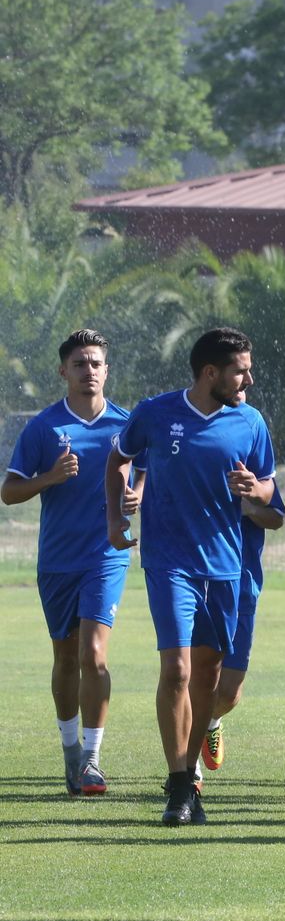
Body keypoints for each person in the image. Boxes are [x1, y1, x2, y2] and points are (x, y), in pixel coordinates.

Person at [105, 327, 277, 826]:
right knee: (176, 670)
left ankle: (190, 769)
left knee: (209, 675)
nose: (248, 377)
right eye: (241, 369)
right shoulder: (156, 413)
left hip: (226, 566)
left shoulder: (250, 421)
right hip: (168, 561)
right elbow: (120, 456)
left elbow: (268, 487)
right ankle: (180, 782)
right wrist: (117, 517)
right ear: (210, 373)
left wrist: (256, 488)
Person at [4, 329, 145, 797]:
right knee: (65, 659)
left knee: (94, 655)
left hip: (107, 555)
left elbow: (147, 470)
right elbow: (9, 491)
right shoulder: (44, 427)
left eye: (97, 363)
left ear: (108, 370)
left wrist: (136, 494)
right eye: (80, 364)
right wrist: (50, 476)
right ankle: (69, 751)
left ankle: (91, 759)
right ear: (63, 371)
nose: (89, 371)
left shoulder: (127, 425)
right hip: (57, 561)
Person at [205, 410, 285, 772]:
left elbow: (277, 518)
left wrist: (249, 503)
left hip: (242, 584)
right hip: (199, 579)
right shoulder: (194, 456)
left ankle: (211, 722)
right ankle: (186, 772)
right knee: (190, 675)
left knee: (229, 693)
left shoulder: (255, 469)